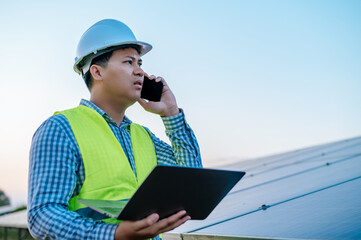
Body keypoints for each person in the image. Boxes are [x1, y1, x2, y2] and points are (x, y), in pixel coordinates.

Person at [28, 19, 202, 240]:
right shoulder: (61, 129)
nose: (140, 72)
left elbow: (192, 185)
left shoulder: (144, 136)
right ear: (97, 72)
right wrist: (115, 234)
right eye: (129, 62)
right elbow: (42, 216)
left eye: (140, 63)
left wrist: (171, 113)